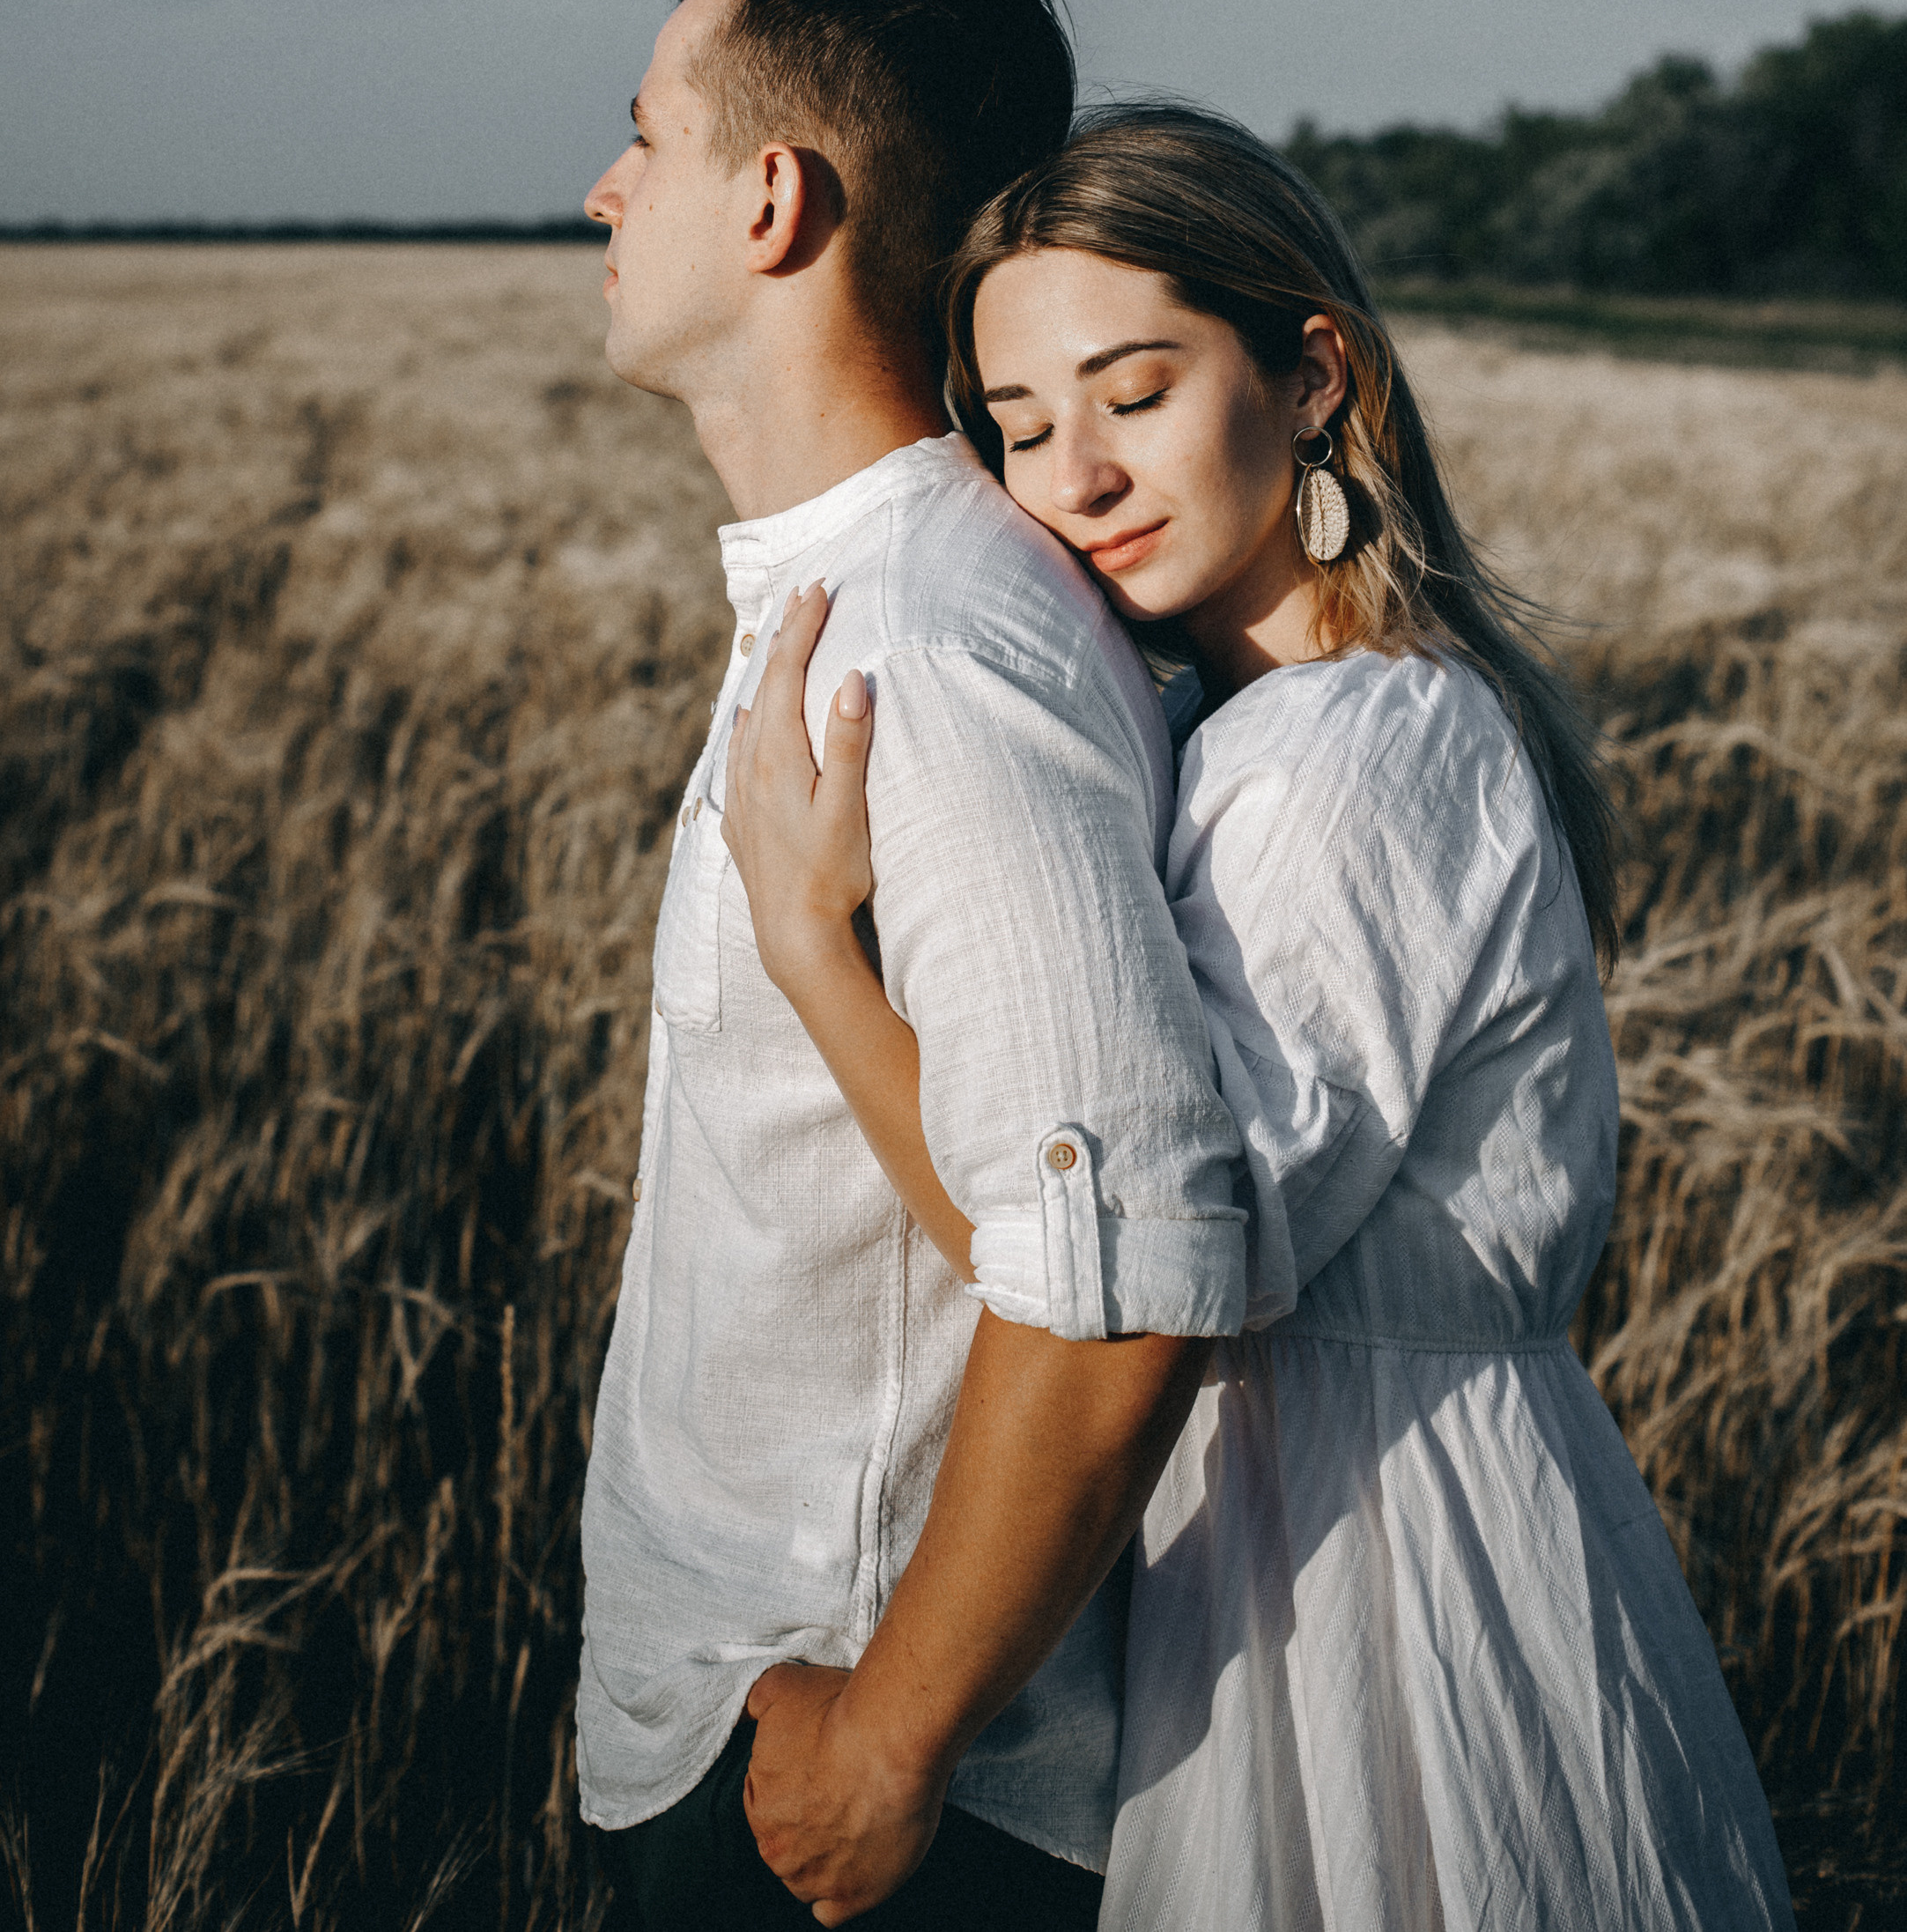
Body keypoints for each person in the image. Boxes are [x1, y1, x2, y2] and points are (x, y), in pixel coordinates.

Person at [725, 102, 1793, 1932]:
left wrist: (813, 949)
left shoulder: (1350, 756)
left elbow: (1142, 1262)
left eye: (1132, 389)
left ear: (1311, 376)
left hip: (1374, 1581)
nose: (1073, 471)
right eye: (1022, 424)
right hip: (1321, 1526)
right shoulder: (1295, 731)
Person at [574, 0, 1250, 1932]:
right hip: (745, 1720)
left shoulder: (933, 646)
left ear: (773, 198)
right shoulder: (851, 592)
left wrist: (891, 1740)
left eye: (647, 137)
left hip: (849, 1795)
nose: (606, 188)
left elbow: (1118, 1260)